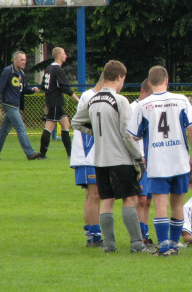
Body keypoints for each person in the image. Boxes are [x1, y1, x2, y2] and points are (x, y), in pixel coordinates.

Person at [71, 60, 148, 253]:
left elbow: (76, 122)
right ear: (120, 77)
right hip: (120, 159)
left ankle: (110, 245)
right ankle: (137, 245)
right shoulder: (120, 101)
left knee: (107, 200)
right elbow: (126, 134)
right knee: (130, 199)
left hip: (99, 160)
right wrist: (138, 156)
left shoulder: (93, 99)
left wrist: (96, 133)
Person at [127, 66, 192, 257]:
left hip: (158, 163)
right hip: (180, 161)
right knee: (177, 204)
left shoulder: (143, 105)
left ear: (149, 83)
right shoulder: (181, 100)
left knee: (160, 205)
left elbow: (133, 136)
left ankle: (164, 247)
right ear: (167, 81)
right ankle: (174, 245)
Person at [70, 75, 104, 247]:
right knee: (94, 194)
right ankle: (94, 234)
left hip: (94, 154)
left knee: (93, 194)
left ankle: (92, 233)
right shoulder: (89, 96)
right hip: (88, 152)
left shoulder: (97, 97)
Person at [0, 51, 41, 161]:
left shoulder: (21, 73)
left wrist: (32, 90)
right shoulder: (8, 71)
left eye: (25, 60)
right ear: (15, 60)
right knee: (21, 128)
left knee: (3, 131)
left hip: (15, 105)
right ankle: (30, 153)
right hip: (9, 104)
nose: (24, 62)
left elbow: (24, 89)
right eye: (21, 60)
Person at [40, 47, 79, 159]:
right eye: (64, 53)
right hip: (55, 102)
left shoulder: (49, 68)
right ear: (58, 55)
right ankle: (43, 154)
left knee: (66, 124)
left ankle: (70, 154)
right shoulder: (57, 69)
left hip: (52, 102)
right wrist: (78, 100)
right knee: (49, 126)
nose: (65, 55)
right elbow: (65, 88)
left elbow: (43, 86)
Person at [130, 78, 153, 246]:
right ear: (143, 91)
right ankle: (141, 235)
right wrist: (137, 155)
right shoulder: (132, 108)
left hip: (153, 160)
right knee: (141, 199)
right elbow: (129, 136)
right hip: (138, 160)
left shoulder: (152, 107)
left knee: (149, 200)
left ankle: (145, 233)